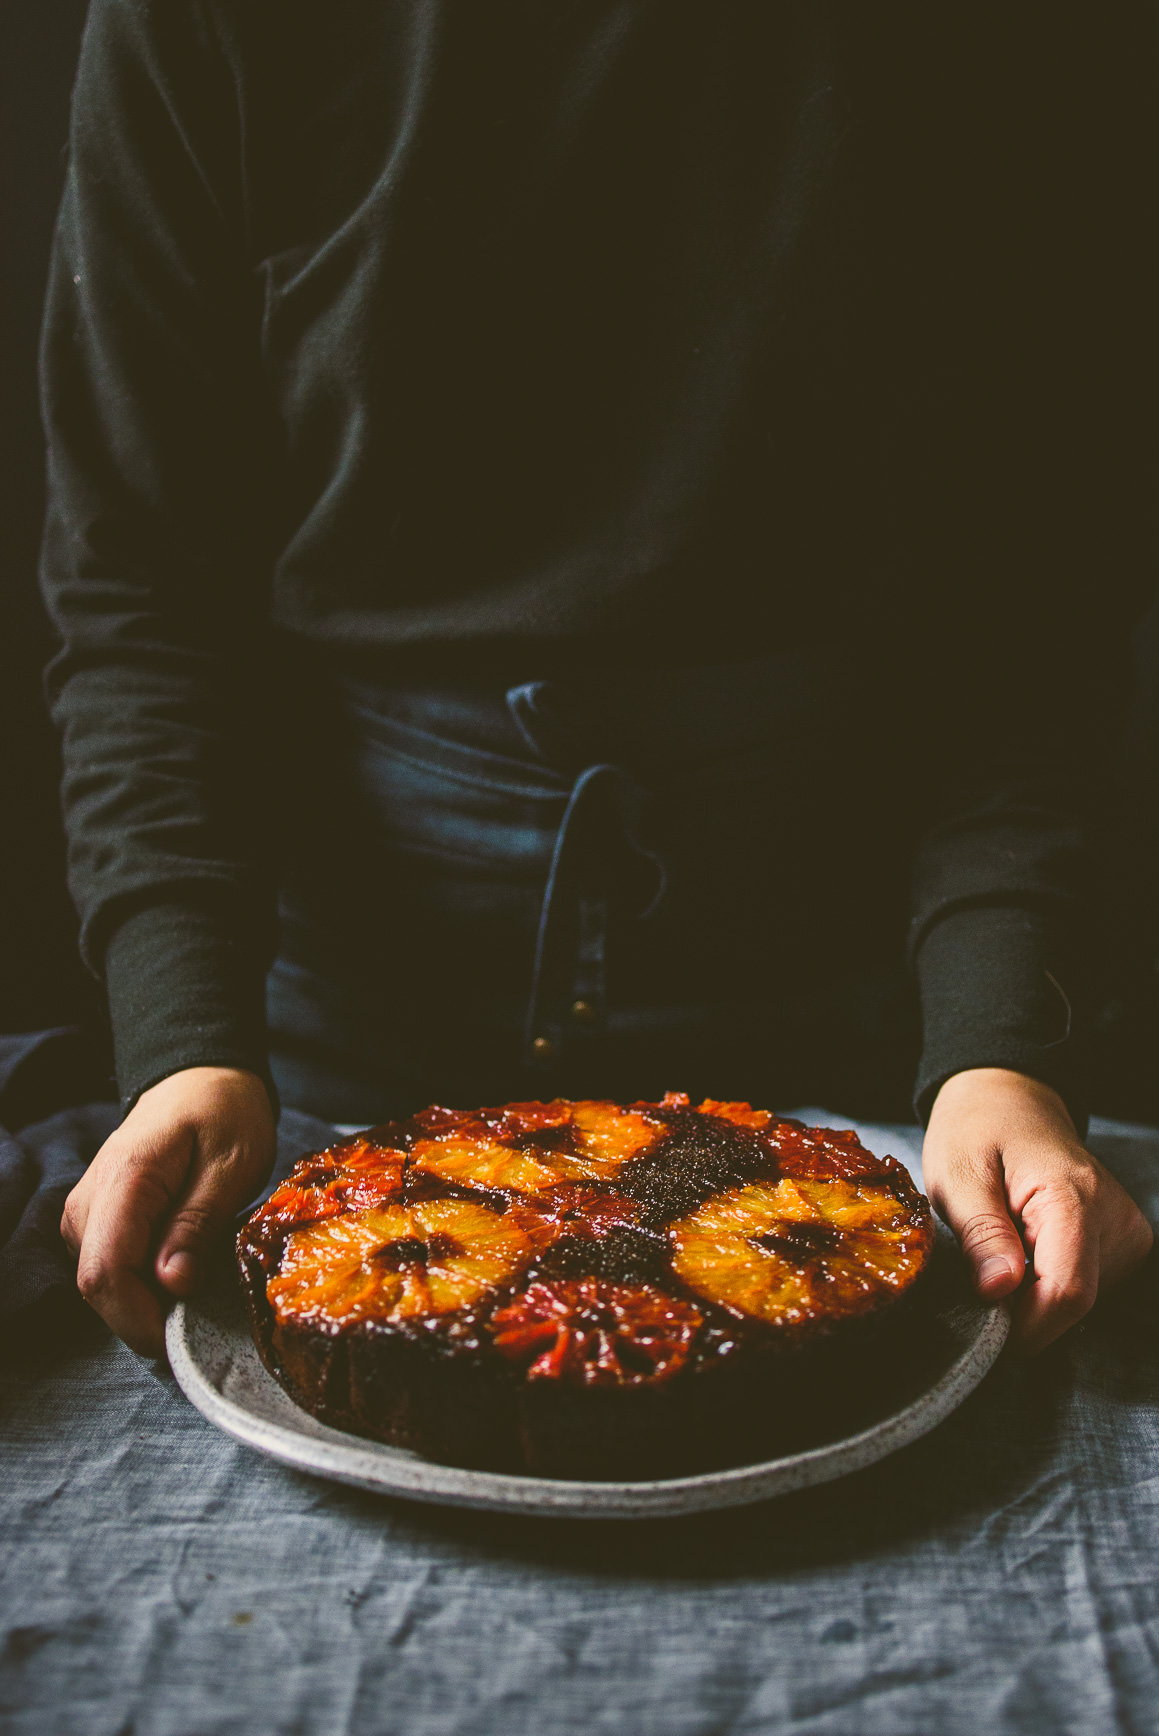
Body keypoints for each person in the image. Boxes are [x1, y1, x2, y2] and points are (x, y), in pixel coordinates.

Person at [41, 1, 1152, 1361]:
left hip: (877, 1030)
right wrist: (183, 1034)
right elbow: (144, 586)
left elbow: (1029, 615)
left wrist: (999, 1041)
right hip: (319, 1037)